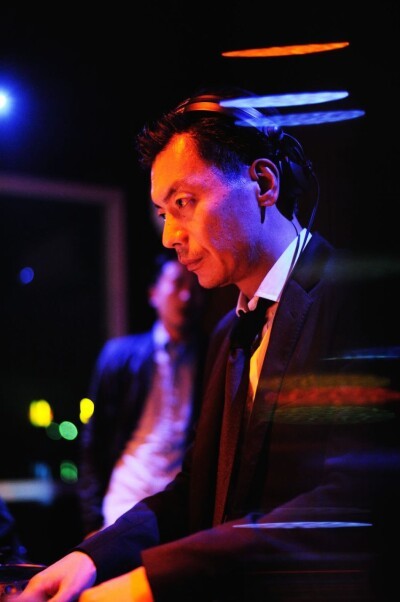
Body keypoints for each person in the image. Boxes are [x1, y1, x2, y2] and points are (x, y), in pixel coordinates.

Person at [13, 86, 400, 601]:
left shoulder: (362, 298)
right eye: (163, 213)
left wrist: (151, 582)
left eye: (184, 203)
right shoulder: (226, 332)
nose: (169, 236)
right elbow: (194, 490)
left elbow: (352, 504)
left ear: (264, 183)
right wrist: (92, 557)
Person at [78, 252, 208, 536]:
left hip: (178, 512)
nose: (187, 296)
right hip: (124, 503)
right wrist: (92, 523)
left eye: (195, 287)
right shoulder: (120, 356)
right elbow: (94, 444)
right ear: (153, 294)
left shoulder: (210, 358)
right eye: (177, 283)